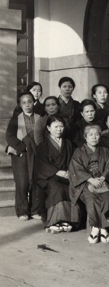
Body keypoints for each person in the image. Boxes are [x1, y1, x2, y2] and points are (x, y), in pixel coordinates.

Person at [68, 124, 109, 243]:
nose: (94, 137)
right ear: (85, 137)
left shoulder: (105, 150)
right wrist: (90, 179)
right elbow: (76, 169)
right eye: (90, 135)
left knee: (107, 198)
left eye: (97, 134)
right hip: (85, 182)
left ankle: (104, 228)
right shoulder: (78, 152)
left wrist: (103, 177)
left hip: (102, 181)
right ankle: (95, 227)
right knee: (91, 199)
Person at [35, 115, 75, 233]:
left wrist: (69, 172)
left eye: (61, 126)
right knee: (57, 188)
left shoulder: (68, 143)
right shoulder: (43, 145)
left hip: (66, 174)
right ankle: (54, 221)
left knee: (70, 188)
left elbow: (74, 160)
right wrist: (57, 172)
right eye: (56, 126)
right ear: (48, 128)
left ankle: (67, 220)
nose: (59, 129)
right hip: (49, 176)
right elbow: (41, 164)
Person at [6, 92, 43, 220]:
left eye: (30, 102)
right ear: (20, 105)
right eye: (24, 102)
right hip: (21, 154)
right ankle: (22, 211)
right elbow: (9, 136)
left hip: (37, 154)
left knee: (35, 180)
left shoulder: (40, 117)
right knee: (22, 182)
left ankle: (35, 210)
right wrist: (23, 147)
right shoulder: (15, 119)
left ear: (34, 102)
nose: (27, 105)